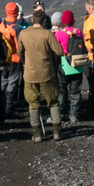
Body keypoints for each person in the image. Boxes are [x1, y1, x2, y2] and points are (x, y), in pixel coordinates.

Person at [19, 9, 64, 143]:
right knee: (54, 102)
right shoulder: (47, 34)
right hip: (47, 73)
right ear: (44, 21)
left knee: (33, 104)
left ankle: (37, 134)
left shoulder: (24, 33)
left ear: (32, 20)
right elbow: (60, 51)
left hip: (30, 74)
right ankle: (57, 132)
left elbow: (19, 51)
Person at [54, 9, 87, 124]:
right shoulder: (78, 32)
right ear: (73, 21)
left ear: (63, 21)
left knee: (62, 90)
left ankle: (61, 113)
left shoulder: (59, 34)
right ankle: (73, 114)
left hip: (64, 65)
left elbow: (56, 49)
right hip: (78, 65)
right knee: (75, 91)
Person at [0, 1, 24, 117]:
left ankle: (0, 107)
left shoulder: (0, 26)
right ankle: (9, 109)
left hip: (1, 60)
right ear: (16, 13)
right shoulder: (17, 28)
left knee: (3, 82)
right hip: (14, 60)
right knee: (12, 83)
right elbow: (20, 47)